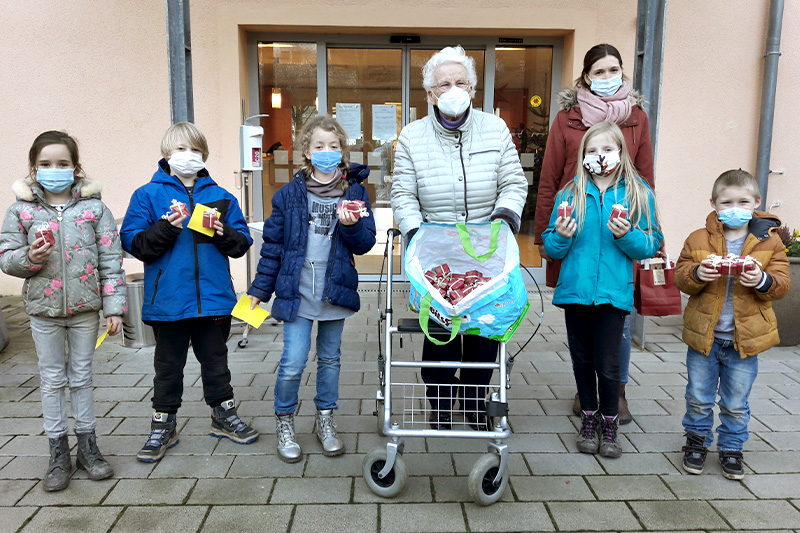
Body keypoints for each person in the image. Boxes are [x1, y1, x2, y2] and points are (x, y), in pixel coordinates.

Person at [391, 45, 528, 431]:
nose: (453, 89)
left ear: (472, 88)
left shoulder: (495, 128)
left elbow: (514, 182)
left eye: (460, 82)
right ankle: (439, 404)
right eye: (444, 84)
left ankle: (472, 400)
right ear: (430, 94)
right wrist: (417, 232)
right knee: (440, 335)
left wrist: (503, 220)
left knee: (484, 330)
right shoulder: (413, 136)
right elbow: (402, 193)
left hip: (487, 248)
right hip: (436, 253)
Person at [120, 122, 258, 463]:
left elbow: (241, 244)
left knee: (216, 362)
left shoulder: (222, 196)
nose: (188, 156)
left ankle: (223, 415)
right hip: (168, 302)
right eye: (180, 149)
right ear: (167, 154)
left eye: (195, 150)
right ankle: (163, 423)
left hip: (214, 299)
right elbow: (135, 244)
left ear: (204, 155)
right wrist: (167, 227)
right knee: (168, 366)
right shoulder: (147, 195)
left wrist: (219, 231)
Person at [534, 43, 656, 424]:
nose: (607, 77)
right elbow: (550, 178)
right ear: (587, 76)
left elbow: (645, 176)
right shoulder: (567, 119)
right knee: (583, 322)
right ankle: (587, 393)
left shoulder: (636, 117)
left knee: (615, 322)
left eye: (614, 70)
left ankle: (614, 395)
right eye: (599, 72)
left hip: (620, 234)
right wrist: (546, 234)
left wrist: (641, 225)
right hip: (579, 226)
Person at [0, 131, 126, 491]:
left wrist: (114, 308)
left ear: (75, 167)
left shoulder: (94, 209)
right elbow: (6, 257)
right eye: (45, 164)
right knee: (53, 379)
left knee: (82, 377)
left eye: (62, 163)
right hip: (43, 311)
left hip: (86, 309)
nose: (54, 170)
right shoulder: (21, 210)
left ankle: (88, 448)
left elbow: (111, 261)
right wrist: (28, 258)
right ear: (34, 168)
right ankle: (58, 453)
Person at [247, 115, 376, 463]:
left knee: (330, 359)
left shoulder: (355, 192)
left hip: (335, 291)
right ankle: (285, 420)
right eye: (319, 146)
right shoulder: (289, 195)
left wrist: (350, 227)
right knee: (293, 361)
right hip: (298, 293)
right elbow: (273, 246)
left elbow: (366, 243)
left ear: (342, 151)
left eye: (333, 146)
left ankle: (325, 420)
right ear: (306, 151)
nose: (327, 152)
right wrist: (259, 290)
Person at [542, 121, 662, 458]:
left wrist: (627, 235)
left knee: (608, 364)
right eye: (593, 151)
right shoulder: (570, 193)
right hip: (576, 291)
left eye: (607, 150)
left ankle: (610, 423)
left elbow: (651, 243)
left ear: (621, 153)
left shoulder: (638, 193)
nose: (600, 156)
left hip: (613, 293)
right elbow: (552, 247)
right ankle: (589, 420)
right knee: (582, 359)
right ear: (583, 156)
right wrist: (561, 236)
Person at [675, 169, 789, 480]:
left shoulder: (770, 243)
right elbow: (681, 275)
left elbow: (781, 284)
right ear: (713, 203)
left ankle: (732, 448)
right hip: (704, 339)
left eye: (742, 201)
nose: (733, 208)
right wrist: (698, 274)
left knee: (736, 401)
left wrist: (762, 280)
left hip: (744, 341)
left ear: (756, 202)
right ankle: (696, 442)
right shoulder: (699, 238)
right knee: (698, 396)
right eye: (726, 202)